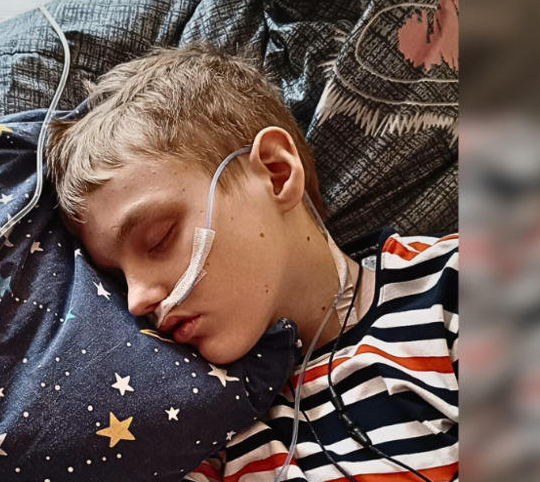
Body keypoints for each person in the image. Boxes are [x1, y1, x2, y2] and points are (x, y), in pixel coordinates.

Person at [45, 44, 458, 482]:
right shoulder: (199, 424)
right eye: (117, 278)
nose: (137, 300)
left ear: (276, 173)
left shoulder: (454, 286)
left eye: (159, 238)